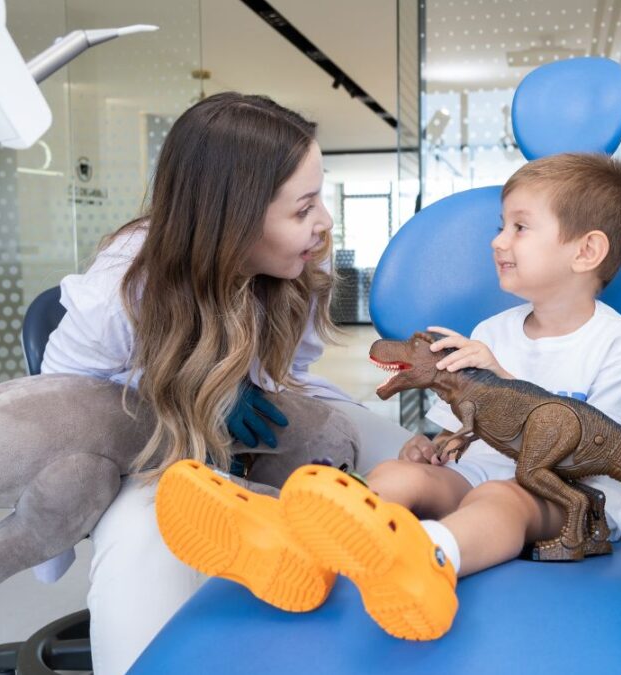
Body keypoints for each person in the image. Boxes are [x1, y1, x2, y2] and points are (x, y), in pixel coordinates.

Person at [158, 151, 621, 640]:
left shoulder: (617, 345)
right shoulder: (492, 330)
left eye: (520, 227)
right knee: (399, 474)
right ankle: (294, 547)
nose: (499, 241)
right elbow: (462, 432)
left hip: (572, 502)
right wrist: (435, 448)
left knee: (503, 497)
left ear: (585, 251)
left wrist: (507, 386)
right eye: (501, 225)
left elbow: (597, 457)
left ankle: (430, 560)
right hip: (481, 476)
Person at [38, 92, 413, 673]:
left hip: (246, 448)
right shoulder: (121, 290)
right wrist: (193, 389)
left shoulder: (286, 275)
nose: (324, 222)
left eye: (321, 198)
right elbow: (56, 408)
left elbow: (296, 380)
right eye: (302, 208)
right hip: (148, 454)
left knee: (411, 462)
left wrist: (364, 441)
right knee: (144, 535)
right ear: (231, 218)